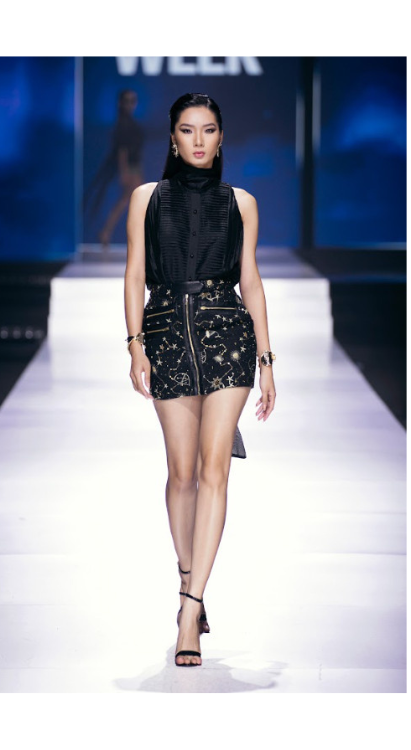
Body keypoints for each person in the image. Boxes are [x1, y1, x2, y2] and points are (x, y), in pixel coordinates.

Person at [123, 93, 277, 667]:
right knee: (181, 472)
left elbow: (250, 280)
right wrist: (134, 344)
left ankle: (190, 610)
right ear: (172, 138)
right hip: (165, 331)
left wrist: (266, 360)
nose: (197, 140)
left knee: (215, 469)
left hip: (226, 332)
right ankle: (189, 576)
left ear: (220, 138)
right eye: (187, 130)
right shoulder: (146, 199)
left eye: (208, 130)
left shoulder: (242, 203)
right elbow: (134, 274)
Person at [84, 89, 145, 252]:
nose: (131, 104)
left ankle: (107, 232)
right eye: (128, 101)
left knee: (131, 200)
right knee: (135, 200)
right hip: (130, 167)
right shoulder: (123, 124)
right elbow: (122, 150)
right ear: (121, 103)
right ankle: (108, 232)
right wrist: (124, 171)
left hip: (134, 166)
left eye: (133, 101)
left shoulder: (128, 122)